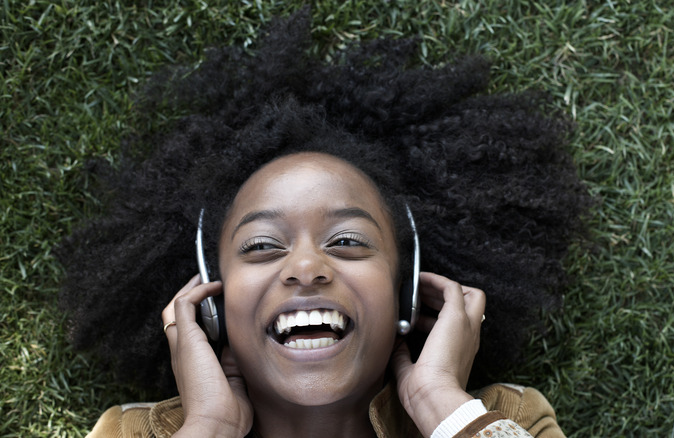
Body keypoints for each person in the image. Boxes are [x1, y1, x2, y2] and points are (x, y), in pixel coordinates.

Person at [58, 10, 591, 438]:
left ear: (408, 289)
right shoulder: (132, 432)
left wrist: (439, 403)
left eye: (348, 241)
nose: (307, 267)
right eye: (263, 245)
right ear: (209, 301)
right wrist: (210, 428)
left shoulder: (509, 420)